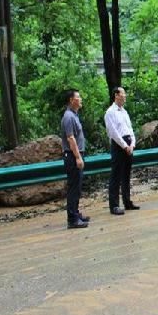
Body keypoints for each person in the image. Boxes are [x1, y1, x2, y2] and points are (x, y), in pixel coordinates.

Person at [104, 87, 139, 215]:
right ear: (116, 95)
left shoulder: (124, 112)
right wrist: (125, 146)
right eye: (123, 93)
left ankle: (127, 201)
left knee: (126, 174)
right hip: (118, 145)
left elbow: (130, 129)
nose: (125, 96)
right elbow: (113, 132)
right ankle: (114, 205)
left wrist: (132, 144)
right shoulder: (110, 112)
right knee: (116, 176)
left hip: (129, 144)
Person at [60, 89, 89, 229]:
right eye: (78, 97)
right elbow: (70, 138)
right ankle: (72, 219)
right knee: (73, 188)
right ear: (72, 100)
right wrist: (78, 157)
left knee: (77, 187)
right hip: (72, 156)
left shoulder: (74, 115)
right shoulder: (68, 117)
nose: (81, 99)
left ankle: (76, 213)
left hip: (76, 155)